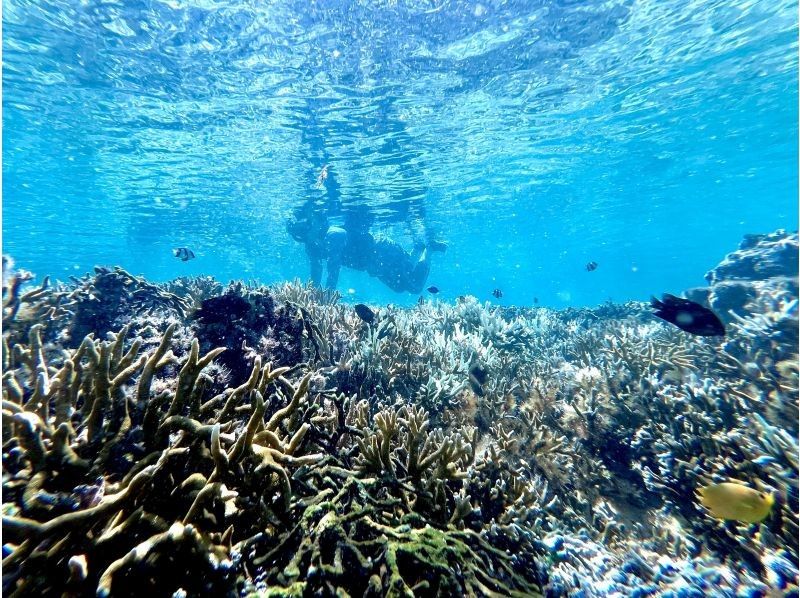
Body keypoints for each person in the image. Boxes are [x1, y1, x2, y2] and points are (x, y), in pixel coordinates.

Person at [287, 202, 446, 293]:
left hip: (383, 252)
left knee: (415, 287)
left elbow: (332, 271)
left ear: (317, 221)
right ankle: (418, 248)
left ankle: (428, 250)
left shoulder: (334, 234)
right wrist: (312, 299)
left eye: (306, 224)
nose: (302, 231)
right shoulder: (311, 245)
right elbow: (316, 272)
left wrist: (325, 304)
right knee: (399, 287)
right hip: (373, 265)